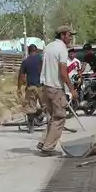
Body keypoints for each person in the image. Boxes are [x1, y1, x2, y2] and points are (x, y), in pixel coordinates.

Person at [37, 25, 75, 155]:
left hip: (45, 87)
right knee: (59, 118)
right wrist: (72, 89)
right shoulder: (62, 49)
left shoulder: (48, 47)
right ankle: (48, 147)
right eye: (69, 35)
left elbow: (41, 66)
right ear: (63, 35)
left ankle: (43, 141)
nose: (70, 38)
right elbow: (63, 73)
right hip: (55, 87)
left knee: (52, 117)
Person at [18, 43, 43, 122]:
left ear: (28, 52)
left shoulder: (25, 61)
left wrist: (19, 88)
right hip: (42, 86)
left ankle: (31, 126)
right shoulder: (41, 59)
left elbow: (22, 77)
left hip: (31, 87)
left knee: (31, 108)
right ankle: (50, 124)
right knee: (46, 106)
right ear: (36, 51)